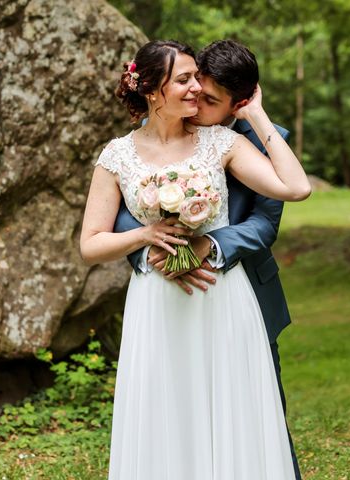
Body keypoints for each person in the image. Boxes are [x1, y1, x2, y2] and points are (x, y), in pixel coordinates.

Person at [80, 39, 310, 479]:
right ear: (151, 90)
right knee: (165, 413)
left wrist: (256, 112)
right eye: (184, 80)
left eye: (199, 83)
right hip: (157, 302)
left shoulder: (220, 141)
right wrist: (146, 238)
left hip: (223, 295)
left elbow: (295, 189)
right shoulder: (116, 155)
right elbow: (90, 243)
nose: (194, 89)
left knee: (238, 415)